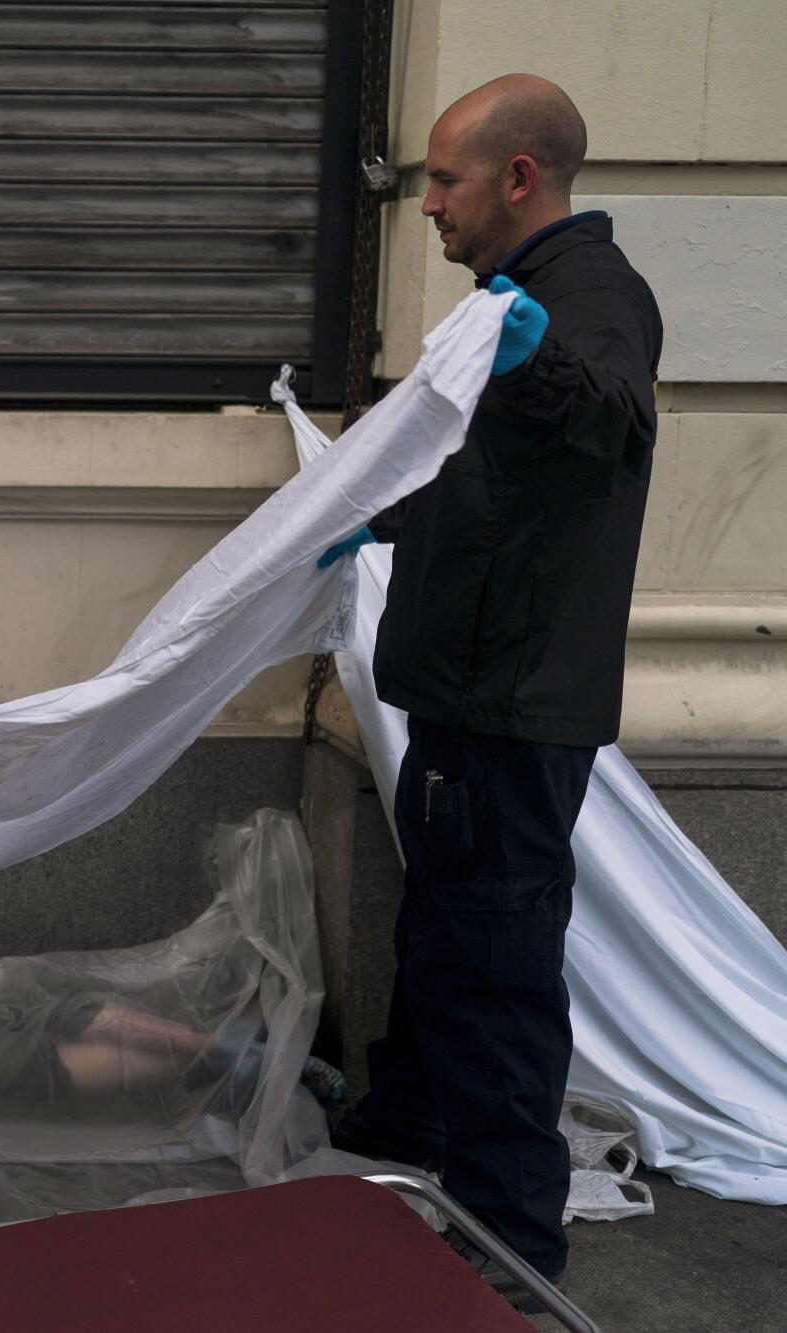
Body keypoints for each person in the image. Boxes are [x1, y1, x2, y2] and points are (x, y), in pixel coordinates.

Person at [323, 74, 662, 1305]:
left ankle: (513, 1252)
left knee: (494, 967)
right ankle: (401, 1136)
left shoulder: (590, 299)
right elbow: (484, 480)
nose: (427, 207)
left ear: (517, 178)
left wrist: (523, 363)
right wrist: (371, 519)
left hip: (510, 707)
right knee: (443, 936)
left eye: (444, 182)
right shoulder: (505, 301)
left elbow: (601, 425)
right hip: (466, 697)